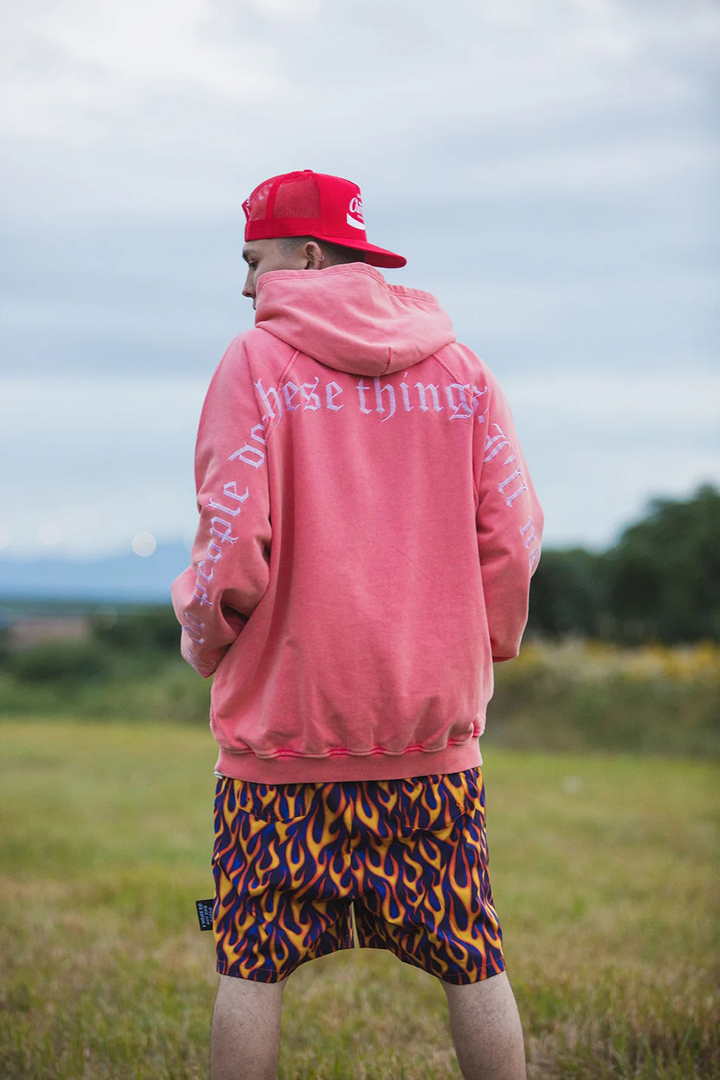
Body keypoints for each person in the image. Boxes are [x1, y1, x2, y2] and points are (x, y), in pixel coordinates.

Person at [171, 169, 543, 1080]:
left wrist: (203, 639)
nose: (247, 286)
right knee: (473, 955)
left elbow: (230, 544)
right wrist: (481, 644)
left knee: (250, 965)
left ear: (305, 256)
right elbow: (515, 535)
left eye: (254, 260)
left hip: (282, 744)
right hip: (433, 743)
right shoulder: (462, 372)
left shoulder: (253, 365)